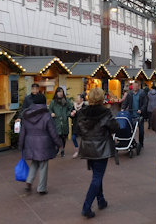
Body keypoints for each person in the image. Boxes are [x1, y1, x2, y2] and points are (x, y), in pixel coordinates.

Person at [78, 87, 119, 219]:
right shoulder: (105, 113)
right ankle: (86, 207)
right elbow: (114, 126)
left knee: (97, 174)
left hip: (87, 147)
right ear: (101, 98)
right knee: (97, 177)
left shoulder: (82, 112)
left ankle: (101, 200)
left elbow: (77, 130)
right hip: (101, 147)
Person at [19, 94, 63, 195]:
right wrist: (59, 143)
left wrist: (21, 144)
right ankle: (41, 188)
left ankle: (29, 181)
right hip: (43, 143)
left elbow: (23, 132)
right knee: (43, 164)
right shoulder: (46, 115)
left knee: (35, 162)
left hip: (29, 142)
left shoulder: (26, 115)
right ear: (44, 103)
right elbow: (52, 131)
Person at [121, 81, 148, 147]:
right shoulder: (130, 94)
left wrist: (141, 110)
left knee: (141, 130)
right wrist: (123, 108)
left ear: (138, 86)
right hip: (131, 113)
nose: (134, 88)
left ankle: (141, 143)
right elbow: (126, 102)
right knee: (131, 129)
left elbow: (145, 103)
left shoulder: (142, 93)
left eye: (136, 86)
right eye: (133, 86)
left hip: (139, 115)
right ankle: (130, 141)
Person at [49, 87, 73, 157]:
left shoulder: (66, 101)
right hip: (56, 122)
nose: (60, 93)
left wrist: (67, 114)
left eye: (62, 92)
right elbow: (50, 109)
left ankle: (62, 149)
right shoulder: (53, 102)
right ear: (56, 93)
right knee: (57, 136)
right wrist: (51, 113)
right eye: (59, 92)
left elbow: (71, 108)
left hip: (64, 122)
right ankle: (57, 149)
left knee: (64, 137)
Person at [70, 94, 87, 158]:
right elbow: (71, 113)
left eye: (78, 98)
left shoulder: (84, 106)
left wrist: (76, 113)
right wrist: (71, 114)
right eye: (76, 98)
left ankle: (83, 151)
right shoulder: (73, 106)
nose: (77, 100)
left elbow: (83, 114)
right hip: (75, 125)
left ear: (82, 99)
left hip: (82, 125)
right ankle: (76, 150)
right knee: (73, 137)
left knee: (83, 139)